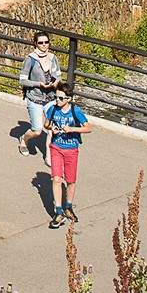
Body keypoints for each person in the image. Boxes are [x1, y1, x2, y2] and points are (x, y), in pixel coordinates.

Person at [45, 82, 88, 228]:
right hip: (56, 147)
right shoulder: (52, 109)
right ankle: (58, 211)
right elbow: (46, 124)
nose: (57, 100)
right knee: (56, 179)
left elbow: (88, 128)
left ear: (68, 99)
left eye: (61, 98)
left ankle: (68, 207)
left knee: (70, 181)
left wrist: (72, 129)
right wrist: (53, 128)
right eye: (56, 97)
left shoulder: (76, 111)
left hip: (71, 150)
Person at [16, 34, 61, 159]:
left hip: (50, 98)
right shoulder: (30, 59)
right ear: (35, 43)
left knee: (52, 127)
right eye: (40, 42)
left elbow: (58, 75)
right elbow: (23, 80)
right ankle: (24, 140)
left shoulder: (53, 58)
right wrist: (39, 84)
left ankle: (48, 155)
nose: (44, 45)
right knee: (37, 131)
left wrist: (56, 82)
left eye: (46, 42)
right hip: (35, 98)